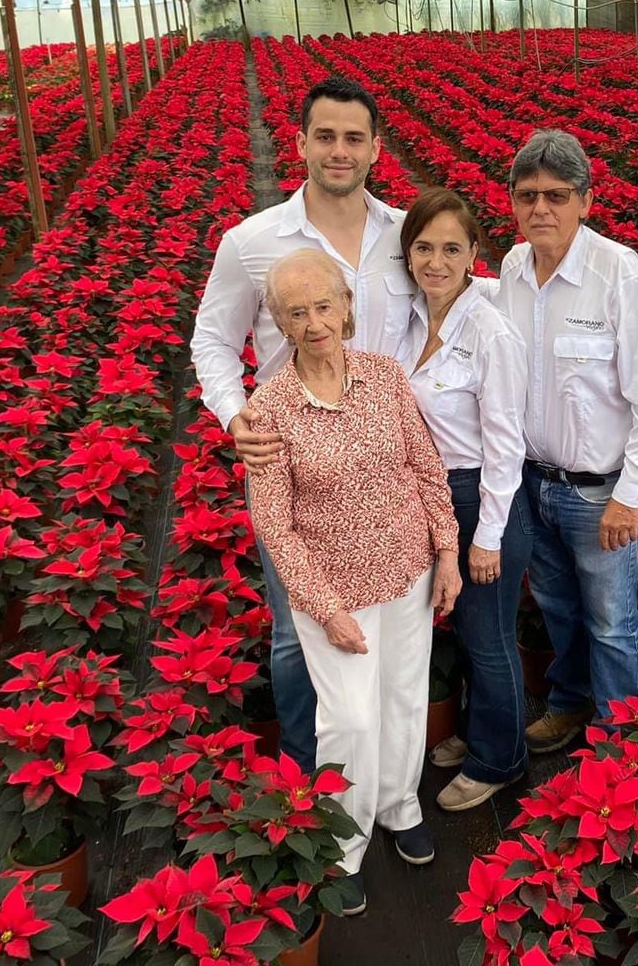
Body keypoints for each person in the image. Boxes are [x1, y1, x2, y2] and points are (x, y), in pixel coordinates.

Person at [190, 77, 415, 773]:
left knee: (398, 621)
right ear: (300, 144)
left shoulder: (407, 233)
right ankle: (305, 771)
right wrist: (237, 417)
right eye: (325, 137)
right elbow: (211, 341)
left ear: (376, 147)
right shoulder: (252, 241)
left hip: (390, 463)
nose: (339, 151)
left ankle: (381, 762)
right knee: (295, 627)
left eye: (354, 138)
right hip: (299, 465)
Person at [244, 249, 460, 918]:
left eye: (324, 305)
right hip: (332, 591)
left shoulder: (386, 377)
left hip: (406, 572)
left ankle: (398, 807)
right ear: (280, 323)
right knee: (348, 719)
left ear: (346, 308)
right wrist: (326, 608)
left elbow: (426, 470)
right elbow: (274, 527)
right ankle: (342, 844)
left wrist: (447, 553)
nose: (314, 322)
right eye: (296, 312)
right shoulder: (270, 407)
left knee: (401, 700)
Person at [495, 129, 638, 753]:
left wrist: (630, 496)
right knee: (557, 608)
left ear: (586, 201)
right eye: (527, 196)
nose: (540, 208)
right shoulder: (514, 267)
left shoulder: (618, 272)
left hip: (601, 494)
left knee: (612, 621)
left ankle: (620, 740)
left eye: (556, 194)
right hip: (534, 482)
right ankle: (571, 705)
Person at [397, 188, 533, 811]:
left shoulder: (490, 331)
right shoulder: (413, 319)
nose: (436, 261)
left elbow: (507, 444)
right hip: (428, 493)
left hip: (479, 495)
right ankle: (481, 731)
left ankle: (498, 758)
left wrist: (487, 537)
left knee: (488, 636)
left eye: (452, 248)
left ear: (474, 253)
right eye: (423, 247)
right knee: (463, 629)